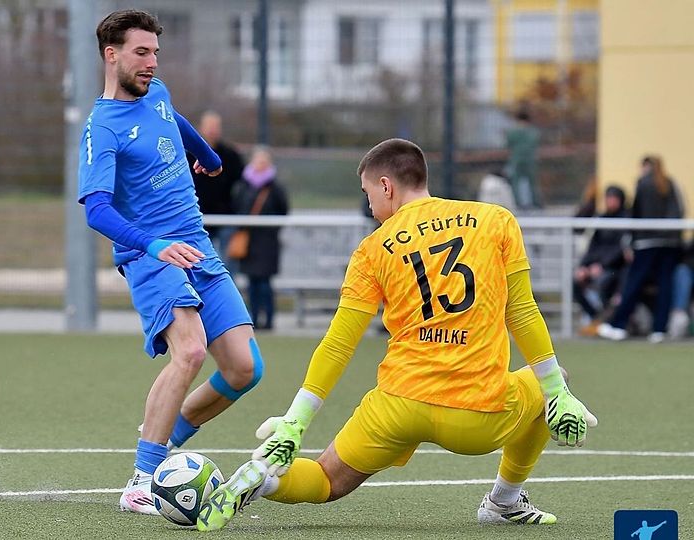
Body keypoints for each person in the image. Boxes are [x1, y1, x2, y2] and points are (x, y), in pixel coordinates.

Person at [195, 138, 597, 531]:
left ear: (386, 186)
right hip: (476, 414)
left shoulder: (372, 249)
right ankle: (504, 501)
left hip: (398, 405)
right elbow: (522, 312)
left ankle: (266, 480)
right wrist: (556, 393)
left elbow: (339, 342)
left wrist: (295, 422)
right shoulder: (496, 220)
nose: (371, 207)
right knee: (554, 380)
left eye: (368, 193)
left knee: (326, 480)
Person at [77, 10, 262, 515]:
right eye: (141, 53)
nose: (152, 63)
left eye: (156, 53)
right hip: (151, 255)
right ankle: (140, 480)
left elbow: (170, 120)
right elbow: (96, 209)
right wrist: (154, 246)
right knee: (190, 352)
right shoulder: (101, 127)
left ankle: (164, 435)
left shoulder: (154, 92)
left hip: (196, 245)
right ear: (111, 55)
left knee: (246, 369)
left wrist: (208, 154)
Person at [598, 156, 683, 343]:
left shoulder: (643, 183)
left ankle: (618, 325)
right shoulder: (669, 184)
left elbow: (636, 213)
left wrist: (631, 241)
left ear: (646, 167)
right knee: (665, 285)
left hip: (646, 242)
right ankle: (659, 329)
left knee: (634, 283)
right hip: (669, 242)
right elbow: (679, 210)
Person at [233, 146, 289, 330]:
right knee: (252, 283)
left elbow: (283, 210)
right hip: (249, 242)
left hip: (267, 242)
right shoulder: (243, 185)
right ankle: (254, 319)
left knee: (265, 284)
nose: (260, 164)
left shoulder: (275, 188)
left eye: (264, 161)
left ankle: (269, 319)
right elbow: (237, 207)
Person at [189, 111, 245, 260]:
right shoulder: (188, 154)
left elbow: (241, 184)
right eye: (209, 126)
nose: (213, 130)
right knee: (200, 260)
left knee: (227, 261)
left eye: (215, 126)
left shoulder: (231, 155)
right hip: (197, 215)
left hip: (225, 216)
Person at [573, 186, 629, 334]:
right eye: (608, 198)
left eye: (613, 198)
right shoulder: (602, 219)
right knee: (575, 283)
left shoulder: (627, 220)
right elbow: (593, 247)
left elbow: (621, 250)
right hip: (596, 266)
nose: (610, 201)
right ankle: (596, 319)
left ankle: (608, 322)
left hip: (616, 269)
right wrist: (584, 266)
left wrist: (602, 265)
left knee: (605, 282)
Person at [504, 108, 541, 210]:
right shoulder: (533, 132)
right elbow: (535, 143)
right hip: (530, 159)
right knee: (532, 182)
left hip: (516, 159)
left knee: (515, 182)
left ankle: (518, 204)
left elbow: (508, 145)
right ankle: (536, 203)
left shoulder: (513, 132)